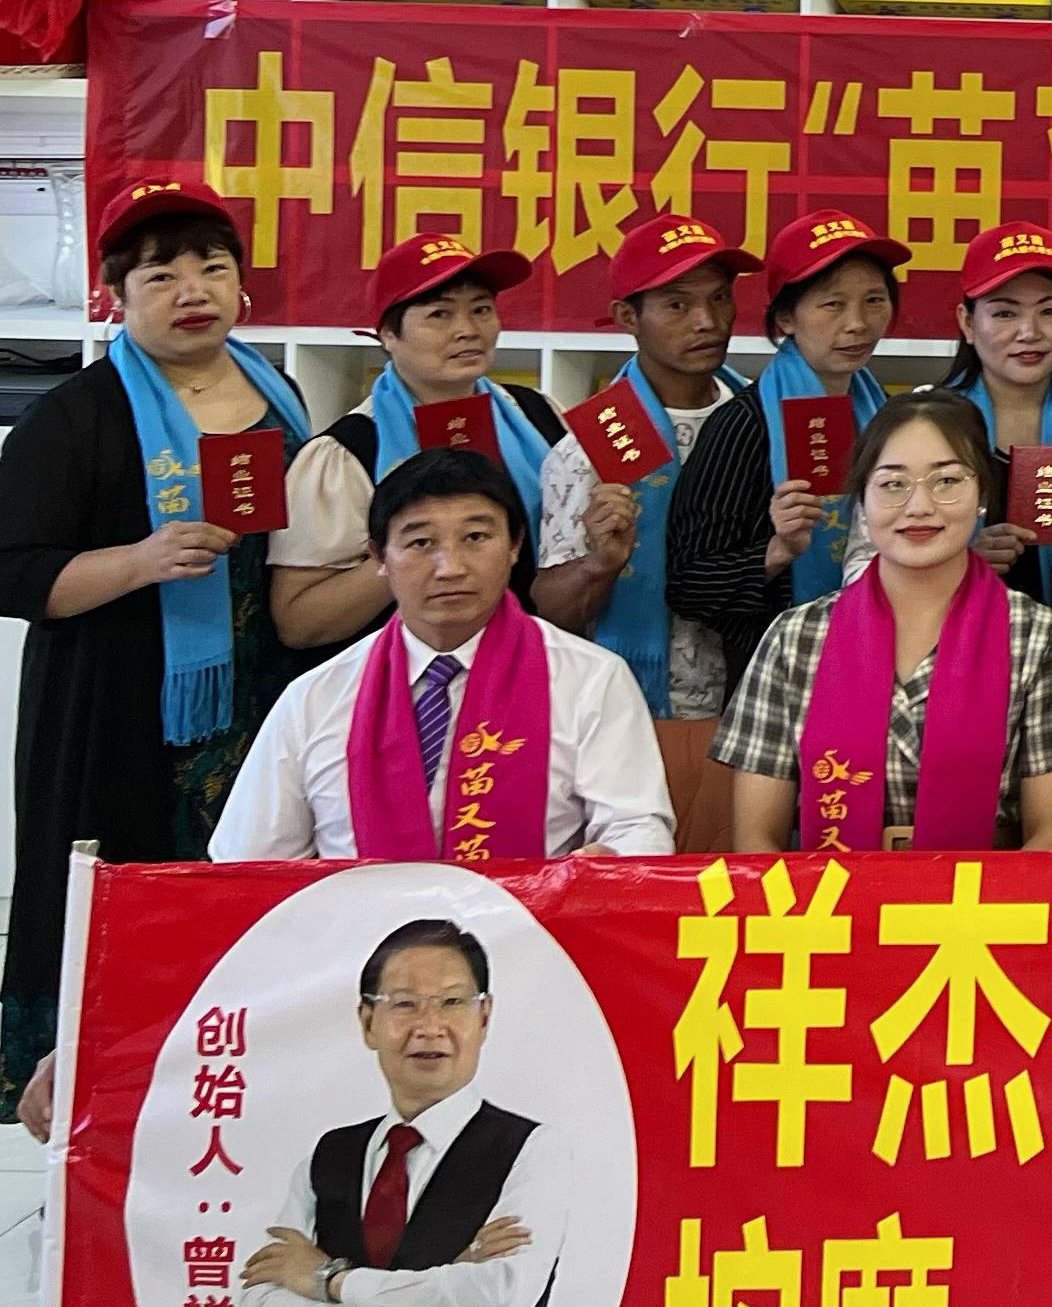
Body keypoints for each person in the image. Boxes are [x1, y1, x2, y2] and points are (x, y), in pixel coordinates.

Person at [0, 182, 309, 1093]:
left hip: (263, 690)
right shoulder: (76, 415)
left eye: (211, 267)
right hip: (119, 704)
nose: (191, 291)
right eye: (160, 275)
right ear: (116, 296)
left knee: (248, 884)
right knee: (123, 889)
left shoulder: (279, 394)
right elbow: (12, 572)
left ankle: (236, 1075)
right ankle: (96, 1087)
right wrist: (139, 561)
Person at [234, 918, 559, 1307]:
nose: (429, 1026)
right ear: (367, 1022)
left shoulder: (532, 1152)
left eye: (452, 1002)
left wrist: (330, 1281)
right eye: (404, 1004)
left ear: (484, 1016)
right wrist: (440, 1296)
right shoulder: (328, 1155)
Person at [214, 450, 676, 859]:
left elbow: (637, 829)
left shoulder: (592, 678)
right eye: (421, 543)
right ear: (379, 557)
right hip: (360, 928)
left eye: (475, 537)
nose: (450, 568)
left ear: (515, 545)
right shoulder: (316, 697)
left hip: (532, 925)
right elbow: (248, 862)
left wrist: (609, 861)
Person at [713, 394, 1052, 851]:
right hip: (829, 891)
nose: (919, 506)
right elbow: (757, 839)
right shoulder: (794, 638)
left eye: (946, 480)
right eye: (893, 484)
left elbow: (1050, 839)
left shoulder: (1040, 638)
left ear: (983, 495)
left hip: (983, 894)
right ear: (862, 500)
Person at [534, 212, 750, 827]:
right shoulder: (588, 447)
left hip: (758, 709)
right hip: (627, 716)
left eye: (719, 299)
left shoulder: (764, 422)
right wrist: (599, 565)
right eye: (678, 305)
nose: (707, 321)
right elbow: (550, 612)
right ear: (628, 318)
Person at [272, 236, 577, 660]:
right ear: (387, 334)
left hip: (535, 661)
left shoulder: (540, 415)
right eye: (440, 314)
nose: (467, 330)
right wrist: (418, 548)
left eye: (481, 309)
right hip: (410, 675)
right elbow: (299, 622)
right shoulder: (349, 451)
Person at [664, 209, 903, 705]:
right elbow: (689, 585)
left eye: (874, 301)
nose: (857, 324)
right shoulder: (745, 424)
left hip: (884, 670)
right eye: (833, 304)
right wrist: (777, 551)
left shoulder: (888, 417)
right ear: (786, 318)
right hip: (777, 686)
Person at [937, 220, 1052, 598]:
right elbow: (876, 550)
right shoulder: (924, 421)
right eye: (1005, 314)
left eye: (1050, 311)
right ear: (967, 322)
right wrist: (955, 562)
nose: (1030, 332)